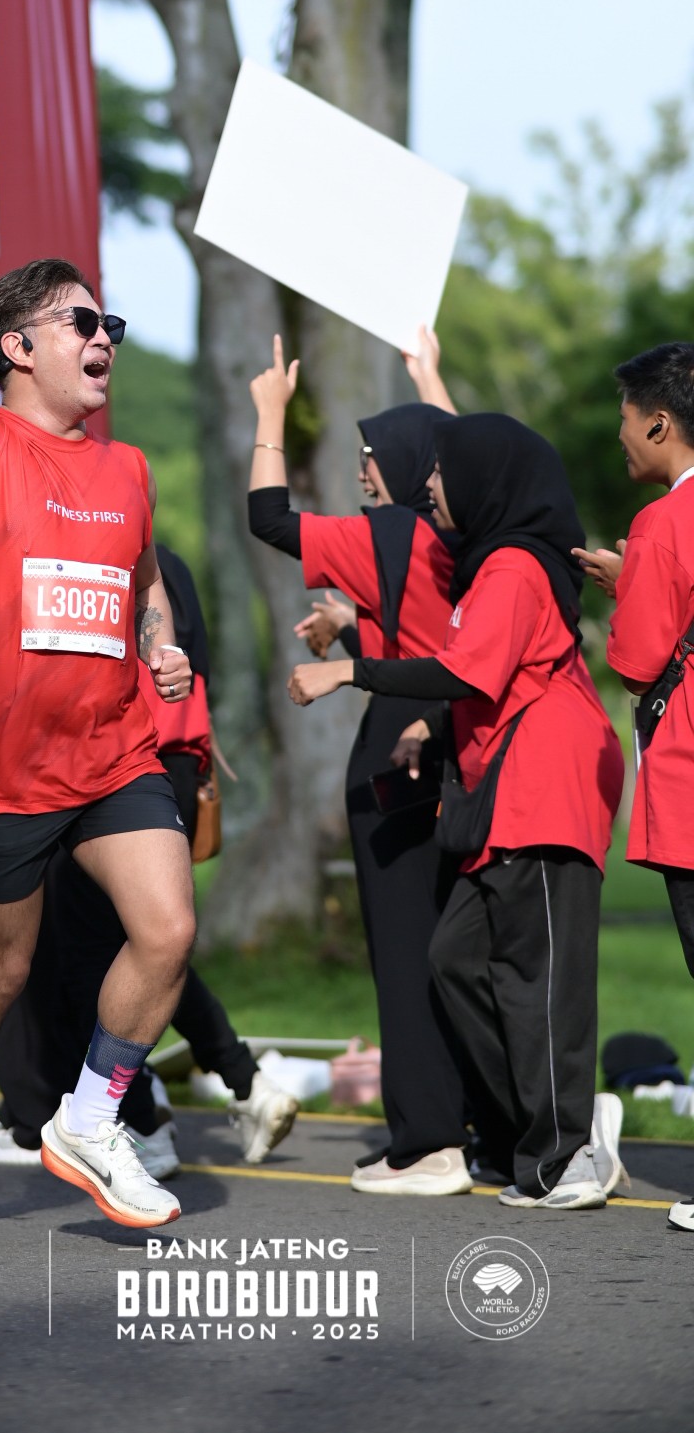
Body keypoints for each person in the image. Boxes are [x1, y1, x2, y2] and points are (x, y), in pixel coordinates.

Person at [0, 71, 196, 1236]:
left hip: (111, 750)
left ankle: (91, 1118)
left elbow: (142, 582)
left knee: (166, 928)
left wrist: (160, 645)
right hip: (4, 771)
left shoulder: (127, 469)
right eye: (82, 323)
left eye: (110, 325)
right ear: (18, 345)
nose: (104, 338)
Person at [287, 413, 626, 1211]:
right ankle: (533, 1131)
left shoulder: (512, 566)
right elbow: (484, 674)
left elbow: (469, 670)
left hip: (547, 788)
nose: (430, 484)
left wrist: (351, 673)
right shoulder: (489, 565)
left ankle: (569, 1148)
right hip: (504, 794)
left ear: (480, 479)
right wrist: (430, 726)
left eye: (442, 470)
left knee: (539, 979)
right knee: (456, 959)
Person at [0, 544, 298, 1175]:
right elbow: (190, 665)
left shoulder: (92, 559)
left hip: (121, 768)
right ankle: (238, 1082)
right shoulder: (162, 562)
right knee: (148, 945)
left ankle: (141, 1121)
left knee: (100, 954)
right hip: (168, 761)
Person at [246, 336, 471, 1195]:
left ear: (407, 464)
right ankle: (467, 1122)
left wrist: (269, 412)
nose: (363, 469)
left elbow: (269, 516)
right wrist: (430, 379)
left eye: (373, 454)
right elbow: (469, 457)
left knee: (404, 949)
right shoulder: (466, 534)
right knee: (451, 946)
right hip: (456, 738)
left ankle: (429, 1143)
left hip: (395, 745)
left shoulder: (388, 532)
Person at [588, 344, 694, 1235]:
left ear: (659, 422)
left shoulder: (663, 521)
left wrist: (631, 584)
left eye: (626, 418)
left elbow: (637, 658)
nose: (620, 435)